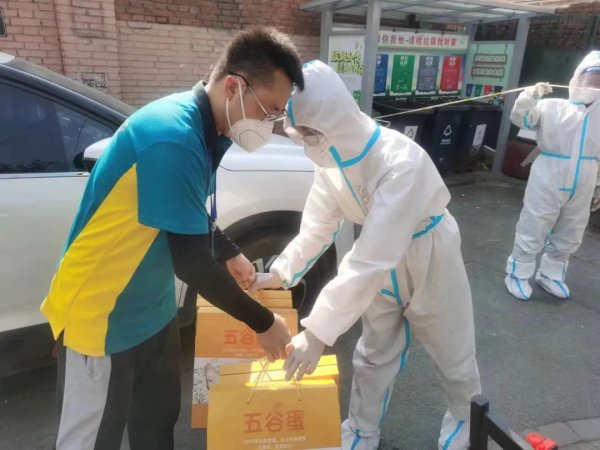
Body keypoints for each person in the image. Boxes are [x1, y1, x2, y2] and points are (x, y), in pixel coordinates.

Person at [41, 27, 304, 450]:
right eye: (268, 110)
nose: (270, 123)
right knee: (92, 440)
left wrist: (230, 251)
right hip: (101, 313)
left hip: (153, 308)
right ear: (234, 87)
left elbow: (183, 211)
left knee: (156, 425)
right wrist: (263, 322)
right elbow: (191, 262)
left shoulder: (208, 130)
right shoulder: (173, 136)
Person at [250, 60, 481, 450]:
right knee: (373, 353)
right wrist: (279, 273)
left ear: (334, 118)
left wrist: (318, 332)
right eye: (300, 131)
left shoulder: (399, 161)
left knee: (451, 346)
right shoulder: (329, 160)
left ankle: (464, 417)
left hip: (428, 253)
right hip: (378, 261)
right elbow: (318, 226)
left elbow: (372, 258)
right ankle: (361, 428)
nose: (305, 140)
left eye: (309, 130)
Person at [504, 51, 600, 301]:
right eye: (592, 77)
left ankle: (551, 274)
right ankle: (518, 273)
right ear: (578, 78)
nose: (595, 84)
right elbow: (521, 118)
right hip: (549, 173)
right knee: (535, 222)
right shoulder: (552, 107)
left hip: (585, 175)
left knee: (572, 228)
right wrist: (529, 96)